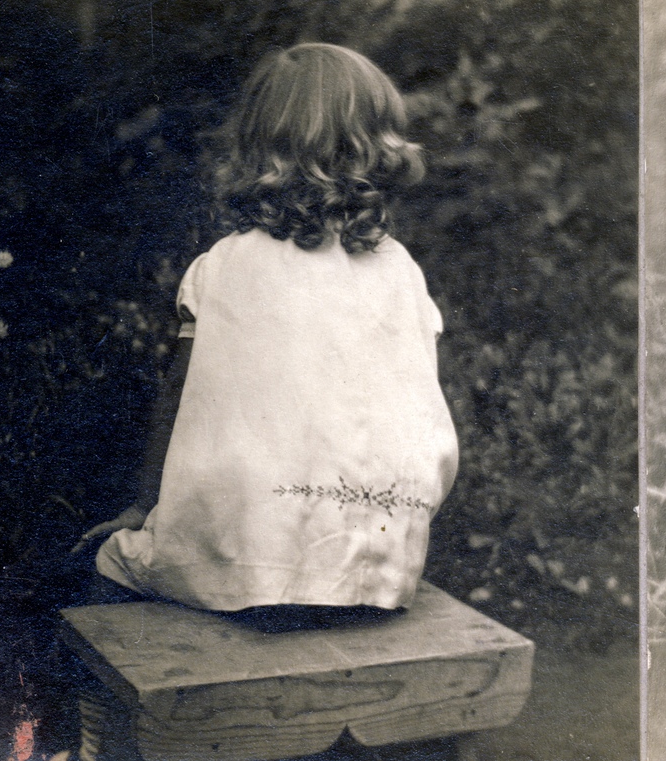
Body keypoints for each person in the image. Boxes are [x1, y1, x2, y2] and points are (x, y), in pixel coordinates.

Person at [57, 43, 457, 761]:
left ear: (256, 149)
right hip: (380, 568)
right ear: (377, 151)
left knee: (97, 572)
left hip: (242, 564)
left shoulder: (224, 266)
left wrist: (142, 513)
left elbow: (178, 403)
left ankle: (98, 747)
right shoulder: (401, 272)